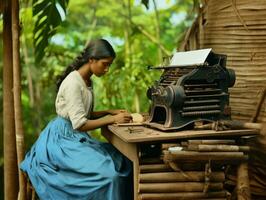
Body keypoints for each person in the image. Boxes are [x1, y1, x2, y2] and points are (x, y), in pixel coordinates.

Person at [20, 39, 133, 200]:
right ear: (91, 60)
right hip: (63, 140)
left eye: (109, 65)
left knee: (123, 160)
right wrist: (112, 119)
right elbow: (80, 123)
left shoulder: (87, 80)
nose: (107, 69)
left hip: (76, 136)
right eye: (105, 64)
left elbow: (83, 113)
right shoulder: (73, 82)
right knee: (109, 176)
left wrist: (109, 112)